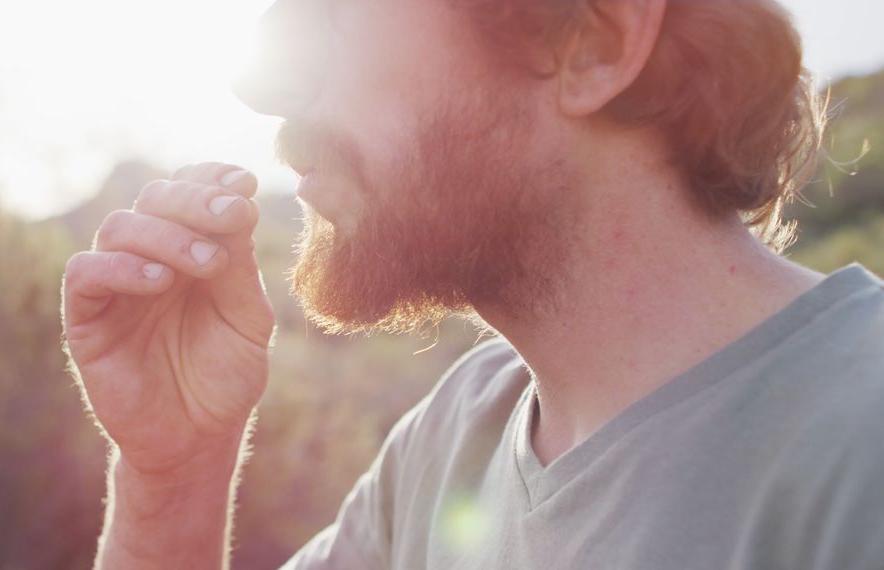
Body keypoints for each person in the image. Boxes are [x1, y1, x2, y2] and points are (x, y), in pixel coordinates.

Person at [60, 0, 884, 568]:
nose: (266, 86)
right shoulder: (452, 438)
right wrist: (174, 472)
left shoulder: (861, 447)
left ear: (589, 44)